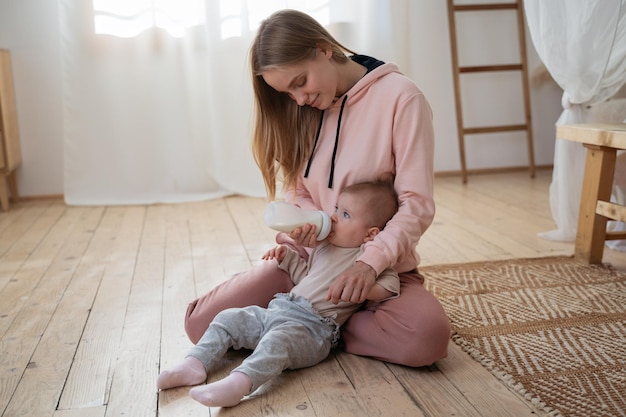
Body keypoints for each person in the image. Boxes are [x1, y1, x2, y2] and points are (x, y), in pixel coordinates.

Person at [184, 8, 450, 367]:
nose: (298, 99)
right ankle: (306, 324)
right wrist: (306, 224)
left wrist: (369, 265)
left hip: (379, 272)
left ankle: (321, 329)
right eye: (286, 92)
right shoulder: (303, 110)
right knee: (199, 325)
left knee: (426, 341)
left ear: (324, 49)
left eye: (299, 82)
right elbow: (300, 190)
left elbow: (416, 204)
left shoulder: (401, 98)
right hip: (310, 268)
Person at [158, 179, 401, 407]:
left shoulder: (367, 262)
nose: (334, 218)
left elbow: (390, 286)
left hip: (312, 329)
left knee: (277, 343)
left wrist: (365, 288)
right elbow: (306, 276)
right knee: (228, 317)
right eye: (336, 208)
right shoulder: (325, 247)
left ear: (371, 234)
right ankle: (194, 363)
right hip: (278, 309)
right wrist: (287, 257)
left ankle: (240, 383)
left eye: (345, 214)